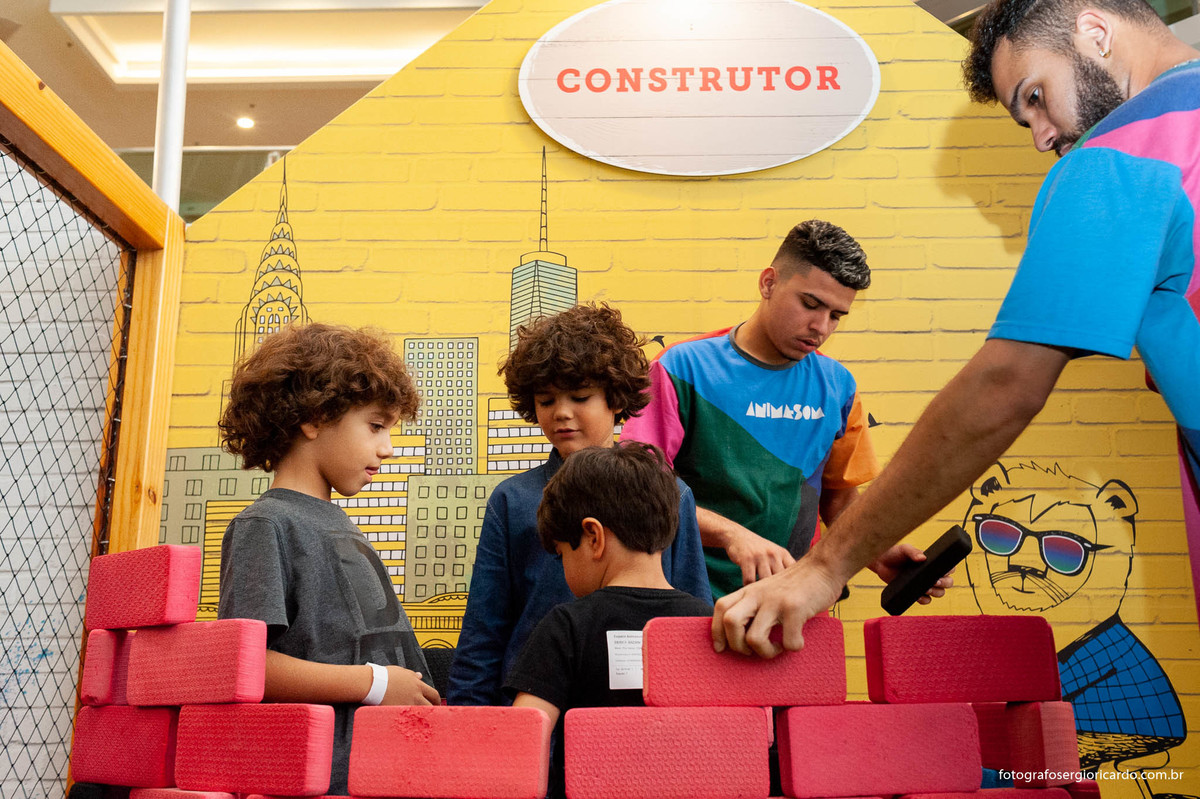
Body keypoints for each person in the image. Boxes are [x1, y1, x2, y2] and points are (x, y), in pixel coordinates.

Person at [712, 0, 1200, 657]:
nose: (1041, 136)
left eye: (1036, 95)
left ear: (1094, 31)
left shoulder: (1116, 161)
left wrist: (825, 567)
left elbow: (1004, 386)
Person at [621, 219, 945, 599]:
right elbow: (639, 490)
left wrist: (874, 552)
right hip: (688, 598)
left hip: (793, 603)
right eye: (811, 304)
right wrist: (731, 535)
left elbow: (837, 500)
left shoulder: (838, 386)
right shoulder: (680, 369)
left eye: (837, 316)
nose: (821, 326)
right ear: (769, 283)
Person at [447, 303, 711, 706]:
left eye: (580, 396)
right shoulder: (512, 499)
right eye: (547, 400)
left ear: (616, 399)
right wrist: (471, 726)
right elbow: (485, 631)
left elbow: (692, 616)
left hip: (637, 718)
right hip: (531, 715)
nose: (562, 413)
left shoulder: (671, 494)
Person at [217, 323, 439, 794]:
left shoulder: (337, 522)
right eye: (376, 426)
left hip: (392, 767)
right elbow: (250, 666)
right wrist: (375, 684)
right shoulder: (266, 525)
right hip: (328, 778)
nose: (388, 447)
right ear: (314, 418)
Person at [506, 442, 716, 799]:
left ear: (593, 537)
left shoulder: (566, 626)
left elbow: (522, 741)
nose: (564, 568)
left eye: (561, 555)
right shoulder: (707, 625)